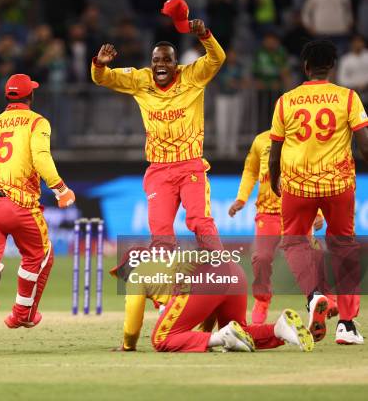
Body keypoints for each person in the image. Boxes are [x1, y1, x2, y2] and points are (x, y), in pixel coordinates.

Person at [91, 17, 225, 250]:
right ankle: (167, 284)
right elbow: (103, 78)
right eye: (156, 60)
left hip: (189, 164)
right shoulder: (140, 80)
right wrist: (100, 64)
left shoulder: (192, 76)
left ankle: (220, 271)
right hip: (159, 169)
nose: (160, 64)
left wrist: (205, 36)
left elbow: (217, 59)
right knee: (160, 232)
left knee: (199, 222)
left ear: (176, 63)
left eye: (167, 60)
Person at [269, 40, 368, 345]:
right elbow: (364, 143)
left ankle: (314, 296)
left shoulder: (286, 101)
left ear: (305, 67)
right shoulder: (348, 98)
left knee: (294, 241)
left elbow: (275, 151)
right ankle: (348, 326)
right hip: (338, 186)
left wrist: (275, 179)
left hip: (298, 187)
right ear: (332, 67)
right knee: (344, 248)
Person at [0, 73, 75, 328]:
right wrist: (61, 189)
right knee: (41, 254)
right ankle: (23, 313)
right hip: (18, 203)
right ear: (31, 95)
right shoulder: (36, 122)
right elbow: (41, 157)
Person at [229, 130, 335, 324]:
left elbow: (314, 175)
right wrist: (241, 198)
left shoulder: (305, 139)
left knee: (311, 254)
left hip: (298, 211)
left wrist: (318, 211)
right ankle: (262, 299)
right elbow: (251, 170)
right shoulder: (261, 140)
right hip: (268, 213)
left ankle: (322, 297)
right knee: (261, 257)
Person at [110, 256, 315, 353]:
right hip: (233, 272)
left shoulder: (136, 276)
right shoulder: (164, 265)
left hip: (205, 281)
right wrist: (205, 338)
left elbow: (133, 318)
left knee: (161, 338)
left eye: (121, 274)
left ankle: (223, 337)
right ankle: (280, 329)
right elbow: (206, 307)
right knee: (239, 331)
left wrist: (128, 346)